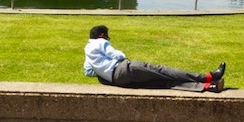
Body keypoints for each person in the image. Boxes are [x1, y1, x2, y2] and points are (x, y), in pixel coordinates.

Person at [83, 25, 226, 92]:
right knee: (163, 71)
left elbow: (88, 71)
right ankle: (208, 77)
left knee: (162, 82)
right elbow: (118, 55)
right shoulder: (100, 42)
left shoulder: (87, 49)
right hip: (125, 69)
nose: (108, 39)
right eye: (107, 36)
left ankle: (208, 87)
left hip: (118, 80)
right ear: (102, 35)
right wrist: (121, 59)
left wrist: (103, 72)